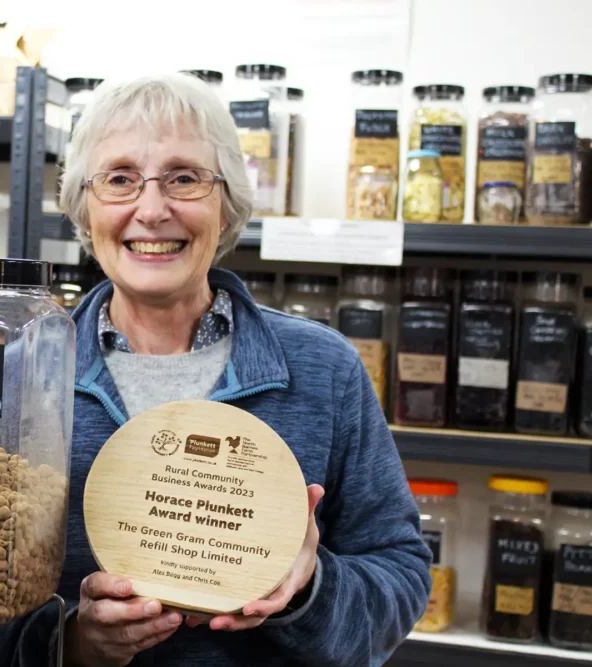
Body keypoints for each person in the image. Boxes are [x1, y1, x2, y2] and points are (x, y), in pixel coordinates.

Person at [50, 72, 433, 666]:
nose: (152, 210)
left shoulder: (324, 368)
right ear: (83, 205)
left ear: (226, 208)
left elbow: (400, 578)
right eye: (120, 179)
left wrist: (308, 589)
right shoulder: (27, 371)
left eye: (184, 178)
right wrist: (69, 645)